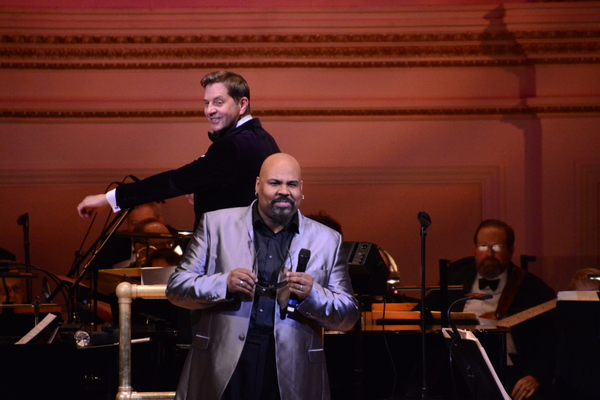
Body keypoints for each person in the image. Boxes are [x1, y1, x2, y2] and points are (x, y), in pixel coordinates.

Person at [166, 153, 359, 400]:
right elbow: (176, 287)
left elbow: (348, 316)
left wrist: (312, 294)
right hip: (222, 363)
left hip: (292, 370)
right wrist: (223, 283)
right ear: (258, 186)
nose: (284, 191)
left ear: (302, 190)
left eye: (292, 184)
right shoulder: (216, 224)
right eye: (275, 183)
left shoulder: (328, 240)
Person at [77, 71, 280, 229]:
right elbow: (237, 190)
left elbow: (174, 181)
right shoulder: (264, 139)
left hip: (233, 260)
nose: (209, 110)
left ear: (242, 104)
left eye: (219, 102)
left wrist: (108, 198)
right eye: (207, 103)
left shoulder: (232, 146)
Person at [427, 219, 557, 400]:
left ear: (511, 251)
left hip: (509, 371)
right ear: (474, 249)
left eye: (497, 248)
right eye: (482, 247)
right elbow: (426, 311)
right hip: (456, 369)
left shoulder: (532, 288)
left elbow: (552, 341)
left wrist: (536, 376)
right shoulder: (455, 275)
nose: (489, 254)